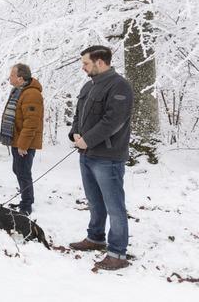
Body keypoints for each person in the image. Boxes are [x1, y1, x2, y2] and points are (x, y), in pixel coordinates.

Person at [68, 46, 134, 271]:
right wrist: (75, 133)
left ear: (100, 62)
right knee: (94, 201)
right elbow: (79, 114)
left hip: (108, 157)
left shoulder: (119, 86)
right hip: (86, 154)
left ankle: (117, 253)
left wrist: (89, 139)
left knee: (114, 205)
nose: (82, 67)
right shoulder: (89, 85)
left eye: (86, 63)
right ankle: (95, 237)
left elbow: (113, 121)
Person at [0, 64, 44, 216]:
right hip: (17, 139)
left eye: (12, 75)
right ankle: (25, 199)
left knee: (23, 172)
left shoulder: (31, 94)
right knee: (18, 170)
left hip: (24, 142)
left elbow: (31, 122)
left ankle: (26, 204)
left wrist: (23, 144)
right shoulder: (18, 91)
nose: (9, 78)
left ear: (20, 78)